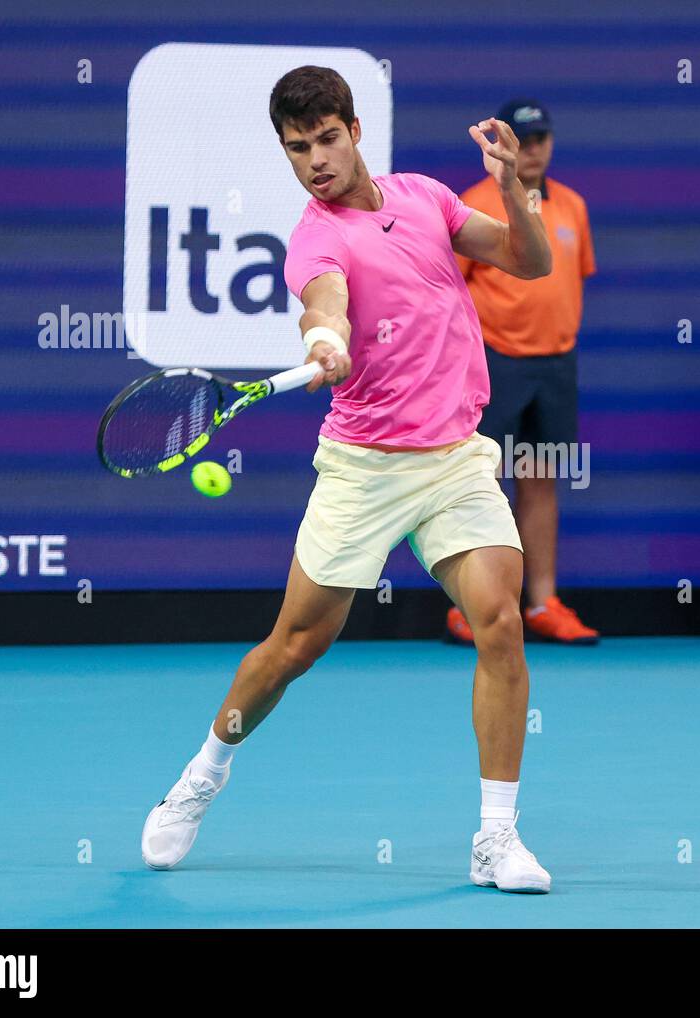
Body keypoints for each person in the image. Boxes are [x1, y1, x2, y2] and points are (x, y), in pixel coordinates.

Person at [140, 66, 554, 893]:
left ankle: (497, 837)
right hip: (365, 468)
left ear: (355, 131)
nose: (315, 161)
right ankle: (202, 775)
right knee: (292, 648)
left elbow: (527, 260)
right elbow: (322, 302)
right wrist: (325, 338)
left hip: (454, 455)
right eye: (297, 149)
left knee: (500, 621)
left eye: (326, 140)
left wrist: (514, 189)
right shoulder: (315, 238)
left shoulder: (426, 199)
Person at [447, 99, 599, 647]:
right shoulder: (473, 204)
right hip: (493, 363)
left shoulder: (574, 208)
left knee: (539, 482)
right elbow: (453, 288)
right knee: (481, 484)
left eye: (541, 139)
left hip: (555, 366)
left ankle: (542, 604)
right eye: (523, 138)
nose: (533, 149)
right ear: (502, 144)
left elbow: (567, 279)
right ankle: (474, 607)